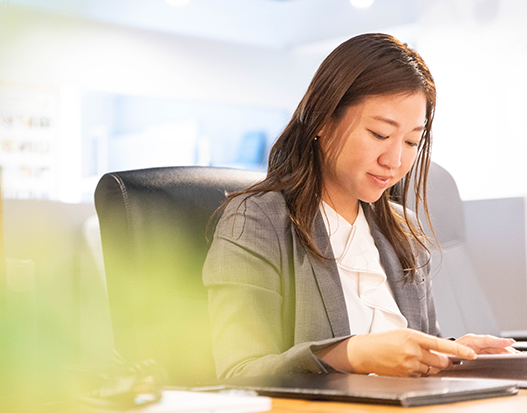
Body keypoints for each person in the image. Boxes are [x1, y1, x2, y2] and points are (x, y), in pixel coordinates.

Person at [202, 33, 515, 380]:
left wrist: (452, 355)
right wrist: (350, 354)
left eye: (412, 141)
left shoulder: (404, 230)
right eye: (380, 134)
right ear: (322, 119)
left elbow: (415, 358)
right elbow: (238, 374)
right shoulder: (256, 220)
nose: (394, 160)